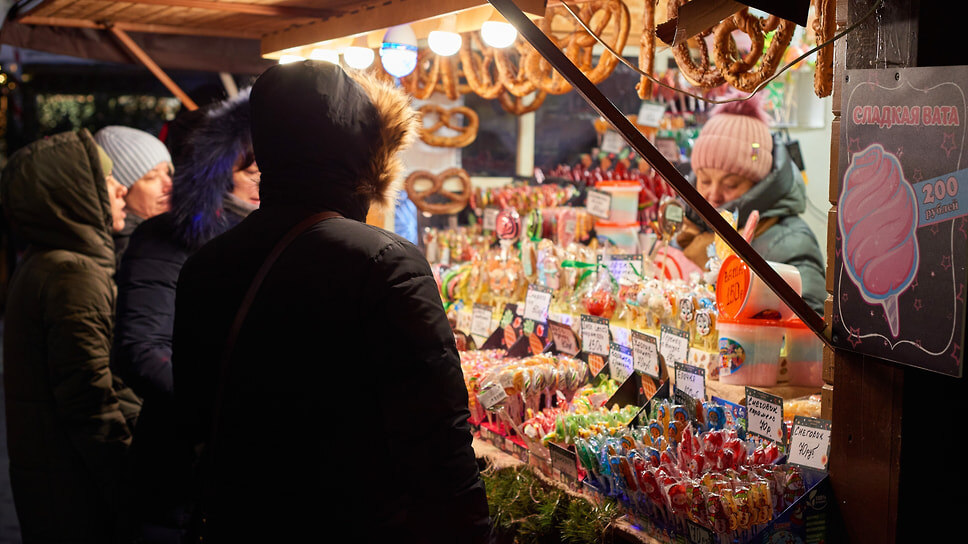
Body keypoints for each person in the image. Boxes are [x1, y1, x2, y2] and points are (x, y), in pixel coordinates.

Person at [171, 61, 490, 542]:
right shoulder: (384, 263)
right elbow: (438, 444)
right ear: (365, 150)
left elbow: (192, 416)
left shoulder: (205, 265)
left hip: (242, 522)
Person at [112, 90, 256, 543]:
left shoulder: (261, 236)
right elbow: (141, 350)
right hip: (179, 469)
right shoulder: (167, 237)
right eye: (251, 172)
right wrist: (231, 410)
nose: (263, 182)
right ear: (216, 174)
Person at [1, 129, 141, 543]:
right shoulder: (73, 274)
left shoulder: (45, 261)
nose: (120, 190)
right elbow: (89, 398)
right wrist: (130, 480)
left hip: (54, 483)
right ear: (76, 194)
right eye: (107, 181)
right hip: (77, 493)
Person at [676, 94, 826, 313]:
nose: (713, 194)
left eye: (731, 184)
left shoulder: (792, 243)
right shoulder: (688, 228)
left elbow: (811, 330)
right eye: (705, 180)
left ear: (759, 184)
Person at [94, 126, 174, 266]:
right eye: (152, 177)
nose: (169, 185)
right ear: (121, 190)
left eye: (167, 173)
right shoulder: (131, 251)